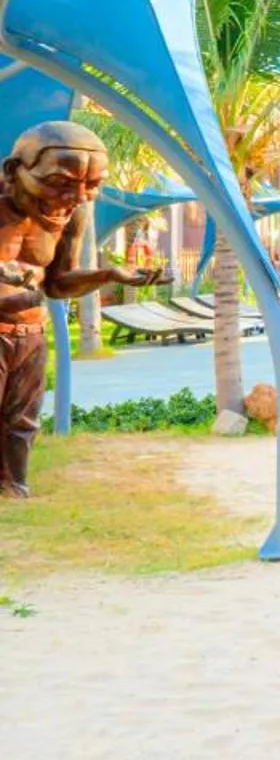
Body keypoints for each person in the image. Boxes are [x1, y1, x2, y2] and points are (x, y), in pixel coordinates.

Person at [0, 122, 163, 498]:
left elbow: (58, 283)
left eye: (91, 185)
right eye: (60, 182)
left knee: (22, 419)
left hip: (30, 335)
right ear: (14, 171)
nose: (77, 196)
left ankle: (14, 486)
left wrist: (109, 273)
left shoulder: (73, 212)